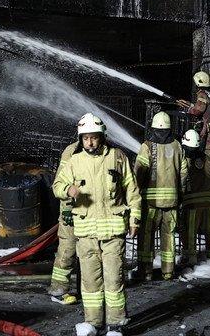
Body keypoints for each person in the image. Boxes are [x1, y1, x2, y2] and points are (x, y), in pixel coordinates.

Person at [52, 113, 141, 336]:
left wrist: (134, 219)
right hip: (86, 233)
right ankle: (92, 322)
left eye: (93, 137)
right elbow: (57, 186)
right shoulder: (74, 161)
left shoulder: (118, 157)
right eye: (85, 138)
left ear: (101, 136)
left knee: (114, 279)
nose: (89, 142)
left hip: (113, 232)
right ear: (80, 139)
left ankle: (116, 324)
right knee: (90, 283)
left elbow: (133, 191)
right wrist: (67, 190)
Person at [133, 112, 188, 281]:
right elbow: (184, 173)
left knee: (146, 238)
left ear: (153, 127)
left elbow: (139, 173)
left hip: (150, 203)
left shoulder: (147, 146)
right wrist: (180, 194)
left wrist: (136, 192)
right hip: (171, 202)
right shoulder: (178, 146)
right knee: (169, 237)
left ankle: (146, 272)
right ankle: (168, 271)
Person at [47, 120, 85, 305]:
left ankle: (86, 289)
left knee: (89, 253)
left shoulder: (104, 153)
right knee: (67, 250)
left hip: (90, 213)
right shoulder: (71, 152)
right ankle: (58, 290)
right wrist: (68, 208)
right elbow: (61, 183)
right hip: (71, 212)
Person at [180, 128, 210, 266]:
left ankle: (190, 257)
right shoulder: (206, 158)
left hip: (192, 202)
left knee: (190, 230)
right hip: (209, 201)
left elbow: (183, 179)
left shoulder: (185, 159)